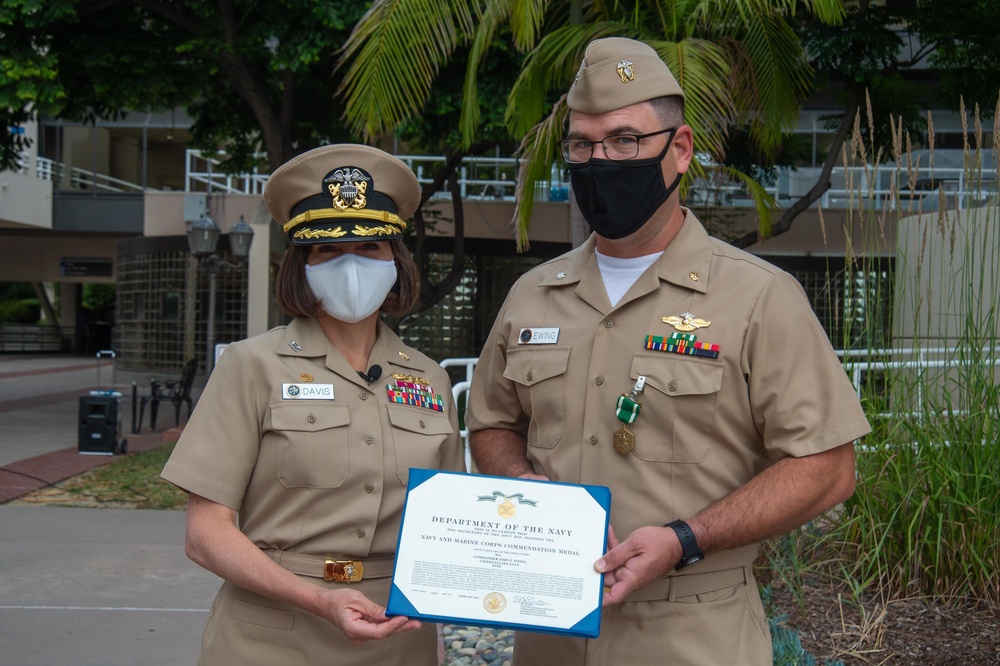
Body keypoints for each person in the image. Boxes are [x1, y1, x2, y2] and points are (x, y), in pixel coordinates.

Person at [464, 37, 871, 665]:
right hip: (550, 625)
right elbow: (492, 422)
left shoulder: (759, 298)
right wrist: (528, 491)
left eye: (625, 140)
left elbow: (826, 467)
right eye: (582, 145)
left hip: (693, 633)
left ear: (678, 151)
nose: (600, 161)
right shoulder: (532, 295)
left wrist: (685, 538)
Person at [161, 144, 466, 665]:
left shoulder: (430, 378)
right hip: (272, 636)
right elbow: (206, 535)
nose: (352, 263)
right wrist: (320, 600)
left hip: (397, 636)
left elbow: (450, 524)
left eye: (370, 247)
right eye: (329, 250)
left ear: (396, 258)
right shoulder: (251, 366)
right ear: (302, 263)